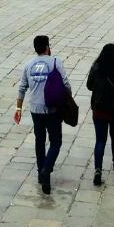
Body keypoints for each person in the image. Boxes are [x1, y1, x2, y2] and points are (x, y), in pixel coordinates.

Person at [14, 35, 71, 195]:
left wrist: (18, 109)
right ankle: (47, 169)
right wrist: (68, 103)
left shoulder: (28, 65)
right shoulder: (55, 62)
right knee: (56, 142)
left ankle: (41, 171)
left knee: (39, 140)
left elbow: (22, 88)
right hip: (52, 109)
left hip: (35, 109)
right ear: (47, 47)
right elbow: (66, 83)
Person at [86, 44, 114, 186]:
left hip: (99, 110)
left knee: (100, 140)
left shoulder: (96, 67)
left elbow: (89, 86)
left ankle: (98, 170)